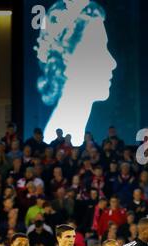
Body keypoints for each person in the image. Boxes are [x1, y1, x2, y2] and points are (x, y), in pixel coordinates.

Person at [35, 0, 117, 145]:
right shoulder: (56, 132)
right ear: (65, 58)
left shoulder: (77, 128)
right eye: (96, 50)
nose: (112, 63)